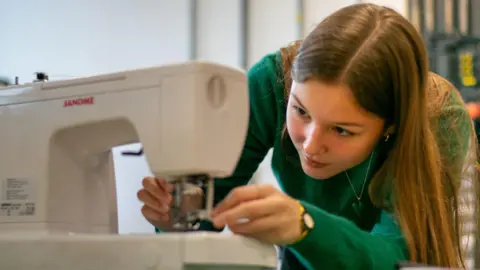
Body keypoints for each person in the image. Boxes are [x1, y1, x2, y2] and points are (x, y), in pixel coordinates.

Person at [137, 3, 479, 269]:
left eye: (342, 130)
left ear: (390, 126)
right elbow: (204, 218)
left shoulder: (437, 119)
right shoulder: (271, 83)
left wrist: (305, 225)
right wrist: (175, 221)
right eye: (301, 112)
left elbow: (398, 258)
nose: (311, 146)